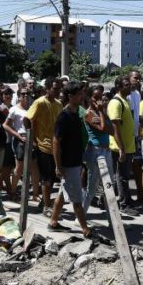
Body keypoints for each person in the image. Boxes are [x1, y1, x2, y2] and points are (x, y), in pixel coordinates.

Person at [48, 81, 92, 237]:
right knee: (77, 200)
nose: (82, 96)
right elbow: (56, 142)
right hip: (68, 164)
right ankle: (85, 229)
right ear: (70, 96)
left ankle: (53, 221)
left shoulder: (76, 114)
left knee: (62, 194)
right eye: (79, 94)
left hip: (76, 161)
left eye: (82, 93)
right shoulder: (64, 116)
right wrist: (58, 166)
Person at [24, 77, 63, 216]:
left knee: (52, 178)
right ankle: (46, 207)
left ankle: (45, 202)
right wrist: (33, 140)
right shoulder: (39, 102)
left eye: (59, 88)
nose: (58, 91)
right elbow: (27, 119)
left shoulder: (59, 104)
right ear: (47, 88)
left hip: (56, 146)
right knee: (46, 179)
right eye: (55, 88)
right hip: (43, 146)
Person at [108, 75, 138, 216]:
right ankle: (124, 204)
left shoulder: (125, 101)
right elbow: (115, 127)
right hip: (120, 147)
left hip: (128, 145)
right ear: (119, 86)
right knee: (121, 176)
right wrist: (121, 148)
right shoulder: (116, 102)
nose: (129, 86)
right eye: (126, 84)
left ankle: (127, 200)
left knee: (124, 175)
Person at [83, 85, 114, 212]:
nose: (99, 101)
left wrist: (102, 113)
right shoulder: (88, 114)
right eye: (95, 98)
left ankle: (111, 219)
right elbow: (102, 128)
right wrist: (101, 112)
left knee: (109, 187)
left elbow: (111, 131)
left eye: (100, 97)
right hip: (95, 151)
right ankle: (81, 216)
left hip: (106, 150)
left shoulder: (102, 113)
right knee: (92, 187)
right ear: (89, 98)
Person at [4, 89, 39, 203]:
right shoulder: (14, 109)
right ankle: (13, 192)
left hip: (32, 138)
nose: (26, 96)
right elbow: (5, 125)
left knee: (34, 168)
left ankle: (35, 194)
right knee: (19, 168)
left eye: (28, 94)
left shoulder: (32, 108)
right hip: (21, 140)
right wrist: (17, 135)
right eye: (23, 94)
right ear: (18, 96)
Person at [128, 70, 143, 206]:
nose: (138, 80)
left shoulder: (137, 94)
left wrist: (141, 125)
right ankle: (125, 200)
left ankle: (141, 194)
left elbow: (136, 115)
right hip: (126, 136)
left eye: (139, 78)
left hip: (136, 135)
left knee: (137, 165)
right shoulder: (125, 95)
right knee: (123, 169)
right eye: (135, 78)